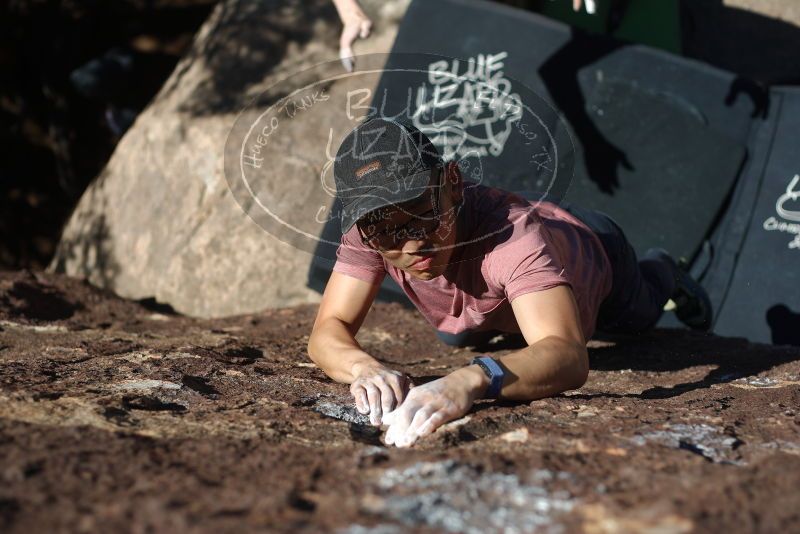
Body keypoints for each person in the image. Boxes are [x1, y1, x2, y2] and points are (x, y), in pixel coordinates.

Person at [307, 117, 711, 448]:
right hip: (502, 266)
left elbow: (568, 355)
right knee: (457, 334)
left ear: (452, 181)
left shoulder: (512, 237)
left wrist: (470, 379)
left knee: (636, 320)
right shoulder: (373, 226)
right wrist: (363, 368)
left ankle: (666, 270)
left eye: (421, 215)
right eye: (388, 234)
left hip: (594, 250)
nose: (411, 243)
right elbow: (328, 330)